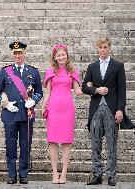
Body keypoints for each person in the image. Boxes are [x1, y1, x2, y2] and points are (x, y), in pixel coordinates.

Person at [0, 40, 43, 184]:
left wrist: (34, 100)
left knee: (25, 144)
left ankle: (23, 174)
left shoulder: (33, 71)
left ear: (25, 54)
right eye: (15, 53)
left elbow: (39, 92)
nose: (18, 55)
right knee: (10, 145)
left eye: (20, 53)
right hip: (10, 114)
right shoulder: (5, 71)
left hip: (26, 114)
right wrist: (6, 103)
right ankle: (11, 174)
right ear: (12, 55)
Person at [82, 36, 126, 186]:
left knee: (111, 143)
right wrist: (96, 89)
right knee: (95, 143)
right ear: (97, 48)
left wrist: (120, 109)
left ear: (109, 48)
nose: (102, 50)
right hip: (95, 109)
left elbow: (122, 91)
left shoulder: (118, 66)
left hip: (111, 109)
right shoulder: (92, 67)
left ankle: (111, 175)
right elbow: (84, 88)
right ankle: (96, 174)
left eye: (105, 47)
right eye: (100, 47)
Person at [41, 44, 82, 184]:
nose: (61, 57)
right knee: (52, 141)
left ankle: (64, 173)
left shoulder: (73, 71)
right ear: (55, 57)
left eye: (63, 54)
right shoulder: (50, 71)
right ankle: (54, 173)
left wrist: (91, 87)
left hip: (67, 109)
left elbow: (77, 90)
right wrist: (43, 106)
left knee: (66, 142)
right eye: (58, 55)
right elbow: (47, 92)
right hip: (53, 108)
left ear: (67, 55)